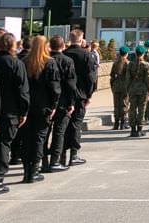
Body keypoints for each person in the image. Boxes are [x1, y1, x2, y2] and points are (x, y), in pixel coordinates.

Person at [0, 32, 28, 196]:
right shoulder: (16, 63)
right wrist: (24, 111)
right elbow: (22, 90)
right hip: (10, 110)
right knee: (3, 145)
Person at [21, 35, 60, 183]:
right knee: (39, 138)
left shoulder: (24, 62)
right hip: (43, 106)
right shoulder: (49, 63)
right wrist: (54, 105)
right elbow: (54, 87)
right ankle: (34, 170)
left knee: (26, 138)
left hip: (27, 106)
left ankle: (26, 170)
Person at [45, 35, 76, 172]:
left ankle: (44, 161)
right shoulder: (67, 61)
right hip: (63, 101)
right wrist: (72, 102)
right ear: (63, 46)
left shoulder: (44, 60)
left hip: (47, 100)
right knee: (59, 132)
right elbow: (71, 84)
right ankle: (55, 160)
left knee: (45, 133)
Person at [62, 30, 93, 166]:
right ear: (81, 39)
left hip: (65, 94)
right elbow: (91, 77)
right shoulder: (86, 54)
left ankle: (61, 154)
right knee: (76, 123)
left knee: (63, 124)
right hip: (80, 94)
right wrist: (89, 94)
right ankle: (74, 154)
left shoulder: (64, 53)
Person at [125, 45, 149, 137]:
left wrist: (127, 89)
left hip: (132, 88)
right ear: (143, 54)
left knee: (132, 109)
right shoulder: (147, 65)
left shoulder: (130, 64)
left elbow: (127, 78)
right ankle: (139, 129)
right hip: (143, 89)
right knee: (142, 109)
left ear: (136, 53)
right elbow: (148, 79)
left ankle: (133, 130)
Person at [110, 46, 130, 131]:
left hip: (116, 85)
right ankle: (123, 123)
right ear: (126, 54)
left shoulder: (115, 63)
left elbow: (112, 75)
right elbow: (129, 76)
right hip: (125, 85)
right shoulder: (128, 63)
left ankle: (116, 123)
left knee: (116, 104)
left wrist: (112, 86)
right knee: (124, 104)